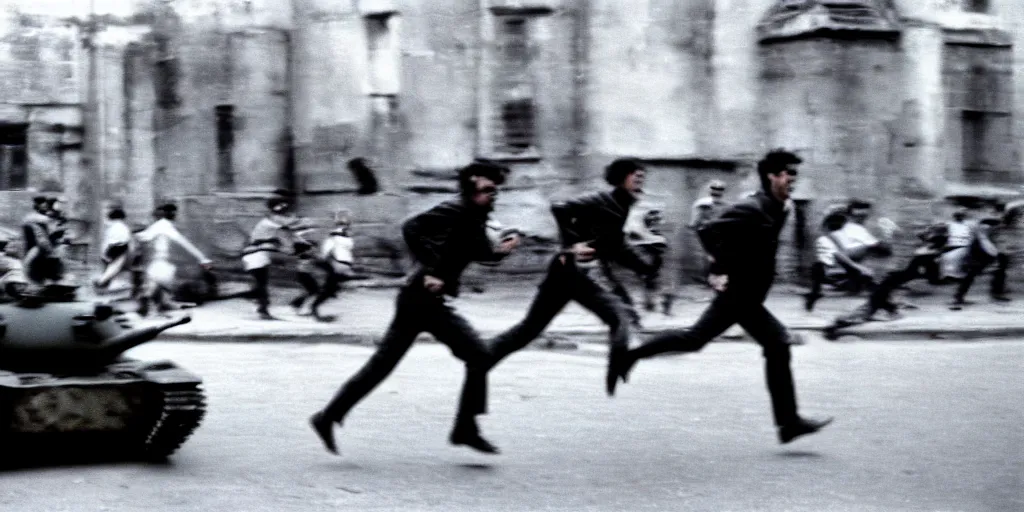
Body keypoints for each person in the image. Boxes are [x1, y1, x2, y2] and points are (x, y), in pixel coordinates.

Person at [618, 149, 833, 444]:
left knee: (698, 340)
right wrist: (718, 268)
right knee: (775, 344)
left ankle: (788, 423)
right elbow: (708, 231)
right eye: (788, 174)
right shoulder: (752, 207)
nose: (793, 179)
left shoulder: (780, 207)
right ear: (771, 176)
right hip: (739, 294)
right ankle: (788, 422)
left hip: (749, 294)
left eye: (795, 174)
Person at [309, 161, 521, 456]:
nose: (492, 195)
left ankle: (328, 416)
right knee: (477, 357)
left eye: (495, 190)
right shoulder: (456, 209)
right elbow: (411, 228)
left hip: (425, 300)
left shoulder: (474, 217)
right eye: (487, 190)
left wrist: (502, 250)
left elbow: (480, 253)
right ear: (470, 191)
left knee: (384, 365)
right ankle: (465, 429)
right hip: (420, 297)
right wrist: (433, 269)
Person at [487, 158, 656, 397]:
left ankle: (616, 369)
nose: (640, 177)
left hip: (577, 274)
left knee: (618, 317)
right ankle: (482, 357)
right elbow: (560, 208)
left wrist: (644, 267)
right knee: (532, 328)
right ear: (620, 178)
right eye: (634, 174)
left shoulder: (622, 205)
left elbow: (615, 244)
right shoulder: (603, 200)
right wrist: (572, 245)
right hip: (570, 270)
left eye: (642, 175)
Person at [823, 222, 950, 339]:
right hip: (885, 281)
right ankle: (836, 326)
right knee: (869, 309)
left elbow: (920, 269)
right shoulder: (928, 253)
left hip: (886, 280)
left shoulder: (924, 250)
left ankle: (889, 311)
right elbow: (933, 278)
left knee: (878, 305)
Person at [240, 190, 311, 320]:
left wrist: (300, 245)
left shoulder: (271, 223)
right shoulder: (269, 223)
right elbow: (289, 229)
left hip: (258, 256)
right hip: (254, 256)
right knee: (261, 283)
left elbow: (289, 235)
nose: (285, 214)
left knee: (261, 283)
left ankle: (260, 305)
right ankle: (261, 308)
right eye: (282, 211)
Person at [135, 203, 213, 317]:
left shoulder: (160, 225)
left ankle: (155, 307)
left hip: (159, 261)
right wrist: (202, 258)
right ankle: (152, 309)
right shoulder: (164, 225)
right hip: (159, 261)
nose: (175, 215)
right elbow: (184, 243)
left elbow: (145, 237)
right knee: (156, 284)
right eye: (173, 213)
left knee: (155, 285)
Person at [803, 210, 876, 312]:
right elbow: (840, 256)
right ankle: (887, 306)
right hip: (828, 273)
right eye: (842, 226)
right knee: (864, 276)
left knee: (863, 276)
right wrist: (858, 267)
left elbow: (843, 254)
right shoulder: (826, 239)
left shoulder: (832, 237)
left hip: (829, 271)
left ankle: (813, 298)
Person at [306, 209, 361, 322]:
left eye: (347, 223)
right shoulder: (334, 236)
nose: (347, 225)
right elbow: (326, 251)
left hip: (343, 266)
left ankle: (312, 307)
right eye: (343, 223)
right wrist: (325, 260)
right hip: (338, 265)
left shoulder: (346, 236)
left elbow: (347, 251)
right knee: (330, 289)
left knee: (332, 289)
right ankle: (312, 308)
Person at [949, 216, 1011, 310]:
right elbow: (989, 248)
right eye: (995, 227)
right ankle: (958, 297)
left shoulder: (989, 233)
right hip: (979, 256)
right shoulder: (981, 236)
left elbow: (995, 247)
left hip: (987, 255)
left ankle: (996, 293)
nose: (996, 229)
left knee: (1000, 270)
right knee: (970, 275)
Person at [690, 180, 728, 284]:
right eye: (715, 189)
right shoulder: (703, 204)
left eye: (720, 189)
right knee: (706, 255)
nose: (717, 191)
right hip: (705, 232)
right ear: (710, 190)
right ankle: (705, 276)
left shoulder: (724, 205)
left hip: (719, 234)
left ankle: (712, 277)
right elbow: (696, 221)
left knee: (716, 256)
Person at [94, 206, 136, 290]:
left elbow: (106, 240)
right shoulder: (123, 227)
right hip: (120, 248)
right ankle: (102, 282)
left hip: (110, 249)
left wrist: (104, 253)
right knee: (115, 267)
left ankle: (103, 282)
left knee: (111, 267)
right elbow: (127, 240)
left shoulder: (111, 227)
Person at [939, 208, 972, 282]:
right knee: (946, 257)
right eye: (958, 216)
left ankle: (955, 275)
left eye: (960, 216)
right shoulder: (949, 224)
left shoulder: (967, 225)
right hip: (953, 244)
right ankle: (947, 275)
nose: (959, 217)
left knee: (954, 257)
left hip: (962, 244)